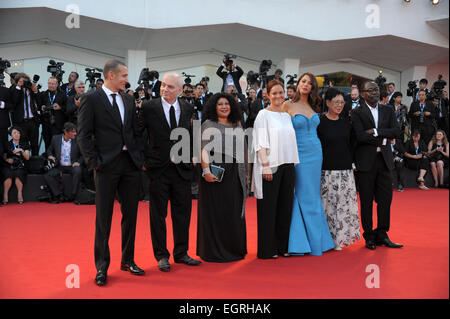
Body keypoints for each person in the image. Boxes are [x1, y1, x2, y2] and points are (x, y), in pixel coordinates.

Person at [78, 59, 145, 286]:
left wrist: (139, 156)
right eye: (124, 75)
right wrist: (94, 162)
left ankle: (128, 260)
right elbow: (83, 134)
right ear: (110, 76)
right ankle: (102, 266)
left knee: (131, 215)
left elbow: (134, 130)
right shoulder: (91, 99)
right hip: (106, 166)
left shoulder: (128, 98)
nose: (127, 79)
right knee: (103, 218)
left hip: (130, 165)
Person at [139, 72, 201, 272]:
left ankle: (181, 253)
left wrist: (192, 156)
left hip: (182, 170)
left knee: (182, 213)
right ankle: (161, 255)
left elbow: (193, 135)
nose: (165, 89)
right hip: (158, 169)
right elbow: (139, 134)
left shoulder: (188, 107)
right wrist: (145, 161)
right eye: (163, 85)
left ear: (180, 90)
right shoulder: (149, 107)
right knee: (158, 215)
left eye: (170, 87)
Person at [282, 73, 335, 256]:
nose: (306, 85)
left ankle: (316, 241)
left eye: (309, 83)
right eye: (303, 81)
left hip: (315, 152)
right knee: (301, 192)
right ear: (298, 84)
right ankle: (299, 242)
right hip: (297, 152)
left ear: (313, 87)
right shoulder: (287, 105)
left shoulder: (314, 105)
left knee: (312, 193)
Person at [197, 93, 248, 262]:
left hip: (235, 174)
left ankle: (233, 250)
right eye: (220, 104)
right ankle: (213, 252)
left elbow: (244, 150)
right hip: (214, 172)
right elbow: (203, 149)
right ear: (214, 107)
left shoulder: (237, 124)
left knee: (232, 212)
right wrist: (206, 171)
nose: (224, 106)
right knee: (215, 212)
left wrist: (246, 174)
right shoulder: (208, 124)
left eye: (227, 103)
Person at [351, 81, 403, 250]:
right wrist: (385, 137)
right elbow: (359, 136)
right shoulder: (357, 112)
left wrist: (375, 132)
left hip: (385, 161)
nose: (373, 93)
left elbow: (396, 131)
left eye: (376, 90)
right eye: (369, 90)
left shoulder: (388, 110)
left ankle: (382, 233)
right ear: (362, 93)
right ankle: (369, 236)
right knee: (366, 201)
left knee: (385, 201)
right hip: (366, 163)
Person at [252, 80, 299, 259]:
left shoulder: (287, 116)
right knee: (268, 209)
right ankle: (267, 249)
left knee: (285, 207)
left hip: (288, 165)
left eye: (281, 92)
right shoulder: (263, 115)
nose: (278, 96)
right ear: (268, 95)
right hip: (270, 166)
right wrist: (265, 165)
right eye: (274, 93)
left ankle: (282, 247)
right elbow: (260, 142)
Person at [318, 87, 360, 250]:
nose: (339, 105)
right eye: (336, 102)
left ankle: (340, 239)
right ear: (327, 102)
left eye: (342, 102)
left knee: (342, 207)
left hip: (344, 171)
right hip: (326, 171)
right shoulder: (320, 122)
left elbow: (352, 145)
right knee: (327, 206)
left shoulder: (346, 123)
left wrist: (352, 163)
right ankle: (326, 240)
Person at [43, 122, 83, 203]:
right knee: (48, 175)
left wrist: (79, 162)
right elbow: (49, 149)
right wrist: (50, 155)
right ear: (66, 132)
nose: (75, 134)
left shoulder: (78, 140)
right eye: (73, 132)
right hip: (59, 166)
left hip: (72, 165)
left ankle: (73, 195)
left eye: (75, 131)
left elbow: (83, 154)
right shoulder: (55, 139)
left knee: (78, 171)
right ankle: (59, 195)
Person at [10, 73, 40, 156]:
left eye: (25, 81)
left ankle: (35, 164)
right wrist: (19, 87)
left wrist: (36, 91)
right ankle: (24, 165)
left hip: (33, 121)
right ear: (17, 81)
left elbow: (39, 103)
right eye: (22, 81)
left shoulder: (31, 88)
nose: (24, 83)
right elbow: (14, 102)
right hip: (21, 122)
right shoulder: (14, 89)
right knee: (23, 144)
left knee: (34, 145)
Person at [39, 77, 68, 152]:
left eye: (53, 84)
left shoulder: (62, 94)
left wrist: (60, 107)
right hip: (46, 124)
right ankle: (48, 160)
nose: (51, 85)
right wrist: (41, 107)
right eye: (50, 83)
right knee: (47, 144)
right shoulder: (43, 94)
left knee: (58, 145)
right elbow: (39, 106)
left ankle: (57, 162)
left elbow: (68, 108)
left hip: (58, 125)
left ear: (57, 84)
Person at [2, 126, 30, 205]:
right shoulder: (7, 144)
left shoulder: (24, 144)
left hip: (20, 165)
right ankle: (5, 194)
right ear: (11, 134)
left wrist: (21, 150)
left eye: (18, 133)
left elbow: (27, 157)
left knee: (19, 173)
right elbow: (4, 157)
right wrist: (7, 160)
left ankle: (20, 194)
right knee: (8, 174)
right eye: (14, 133)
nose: (17, 134)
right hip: (9, 165)